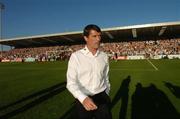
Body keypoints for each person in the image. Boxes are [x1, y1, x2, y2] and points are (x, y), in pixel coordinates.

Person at [66, 24, 112, 119]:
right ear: (86, 38)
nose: (98, 39)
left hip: (102, 98)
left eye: (99, 36)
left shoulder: (104, 56)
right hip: (83, 99)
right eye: (94, 36)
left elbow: (105, 78)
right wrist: (83, 99)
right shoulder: (76, 56)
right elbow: (71, 83)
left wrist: (106, 93)